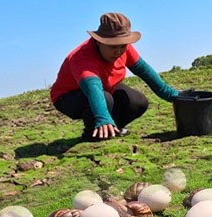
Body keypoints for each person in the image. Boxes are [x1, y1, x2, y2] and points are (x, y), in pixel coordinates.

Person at [50, 13, 179, 140]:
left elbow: (144, 70)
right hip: (68, 97)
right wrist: (102, 117)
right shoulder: (82, 58)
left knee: (138, 102)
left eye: (122, 46)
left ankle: (112, 128)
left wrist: (170, 94)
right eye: (113, 46)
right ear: (99, 41)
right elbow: (92, 88)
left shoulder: (125, 49)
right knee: (106, 99)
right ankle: (93, 133)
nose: (118, 51)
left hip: (104, 88)